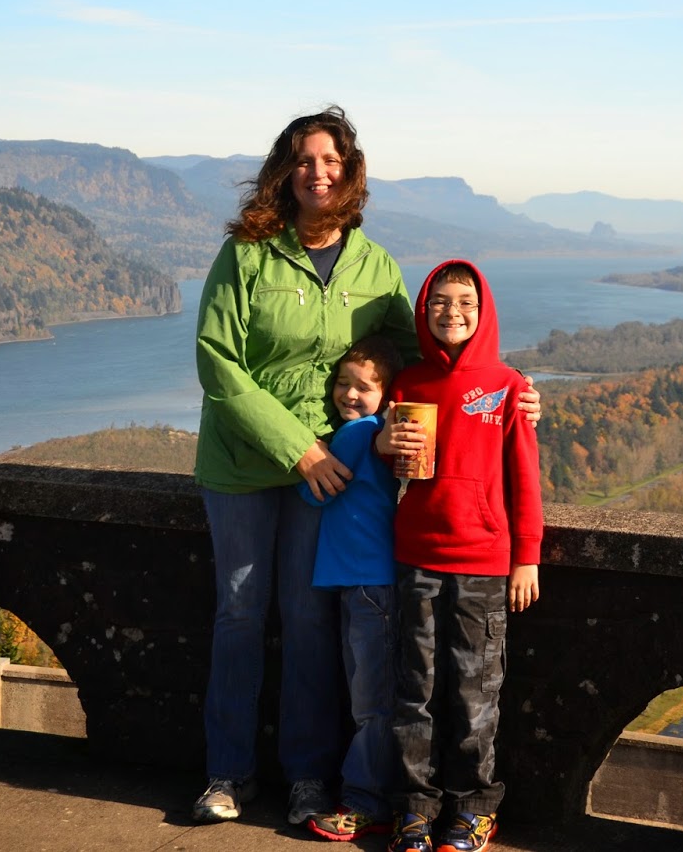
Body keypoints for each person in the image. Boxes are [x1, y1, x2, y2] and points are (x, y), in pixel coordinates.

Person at [190, 106, 540, 829]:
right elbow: (217, 361)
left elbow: (420, 362)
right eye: (303, 160)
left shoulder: (375, 266)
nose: (316, 173)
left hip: (335, 474)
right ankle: (227, 773)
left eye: (330, 160)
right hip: (249, 466)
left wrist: (507, 395)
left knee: (309, 623)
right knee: (240, 615)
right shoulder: (248, 255)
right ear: (283, 172)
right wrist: (299, 448)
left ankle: (308, 779)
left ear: (349, 172)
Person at [384, 260, 543, 852]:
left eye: (465, 302)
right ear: (424, 309)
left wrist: (526, 556)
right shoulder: (408, 384)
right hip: (417, 555)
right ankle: (415, 808)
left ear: (484, 311)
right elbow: (390, 468)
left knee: (475, 691)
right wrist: (382, 443)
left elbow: (524, 478)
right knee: (415, 690)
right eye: (440, 301)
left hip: (483, 560)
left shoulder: (509, 386)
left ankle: (473, 807)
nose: (452, 312)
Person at [297, 335, 406, 842]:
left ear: (386, 396)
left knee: (371, 701)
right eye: (343, 382)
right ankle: (369, 796)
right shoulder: (371, 431)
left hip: (366, 582)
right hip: (365, 579)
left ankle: (366, 801)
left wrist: (310, 450)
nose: (350, 394)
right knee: (371, 695)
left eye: (364, 386)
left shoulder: (359, 433)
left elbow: (315, 492)